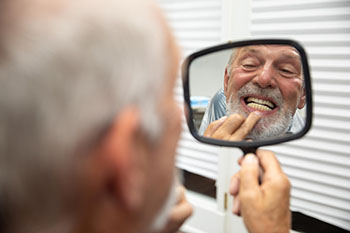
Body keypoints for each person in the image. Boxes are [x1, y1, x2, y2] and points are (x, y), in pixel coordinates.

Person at [0, 0, 291, 233]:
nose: (181, 114)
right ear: (126, 159)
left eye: (287, 70)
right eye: (168, 94)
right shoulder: (219, 104)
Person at [199, 45, 306, 141]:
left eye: (286, 70)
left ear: (303, 95)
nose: (264, 79)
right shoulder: (221, 102)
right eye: (249, 64)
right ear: (227, 82)